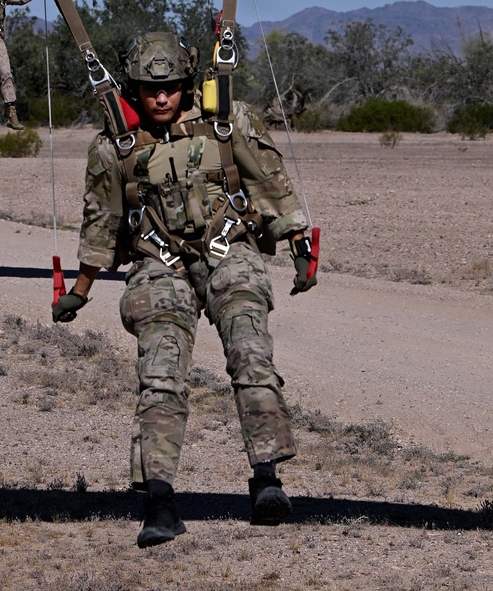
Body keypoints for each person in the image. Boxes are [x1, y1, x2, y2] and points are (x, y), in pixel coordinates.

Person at [52, 30, 316, 548]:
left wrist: (300, 250)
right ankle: (160, 501)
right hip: (158, 263)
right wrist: (79, 290)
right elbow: (101, 223)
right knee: (160, 373)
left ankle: (267, 479)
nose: (161, 97)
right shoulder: (113, 145)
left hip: (229, 251)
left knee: (250, 352)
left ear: (186, 83)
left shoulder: (227, 121)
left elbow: (271, 183)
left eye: (171, 87)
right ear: (132, 89)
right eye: (150, 90)